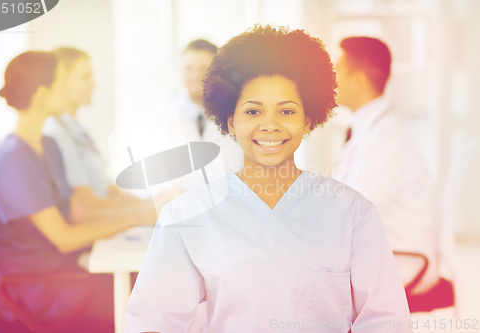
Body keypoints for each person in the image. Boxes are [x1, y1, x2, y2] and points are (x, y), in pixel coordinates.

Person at [125, 26, 411, 333]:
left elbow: (386, 321)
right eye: (253, 111)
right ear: (230, 122)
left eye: (286, 111)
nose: (270, 125)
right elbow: (153, 322)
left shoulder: (353, 214)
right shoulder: (185, 216)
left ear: (308, 119)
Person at [0, 51, 153, 332]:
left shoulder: (48, 145)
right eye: (61, 84)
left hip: (67, 274)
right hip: (38, 292)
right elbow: (63, 237)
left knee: (151, 286)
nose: (66, 92)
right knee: (147, 303)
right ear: (41, 95)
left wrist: (143, 211)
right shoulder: (11, 160)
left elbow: (78, 213)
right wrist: (137, 218)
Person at [334, 37, 441, 295]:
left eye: (336, 72)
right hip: (380, 253)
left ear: (358, 80)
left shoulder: (384, 140)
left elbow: (349, 214)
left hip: (402, 260)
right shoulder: (370, 130)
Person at [43, 47, 158, 225]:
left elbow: (108, 189)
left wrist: (154, 204)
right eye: (85, 77)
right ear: (61, 81)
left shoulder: (77, 129)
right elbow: (86, 203)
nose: (94, 84)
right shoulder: (56, 134)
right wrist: (147, 211)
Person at [177, 39, 243, 175]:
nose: (195, 76)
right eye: (189, 69)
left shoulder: (236, 117)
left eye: (203, 69)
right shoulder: (164, 122)